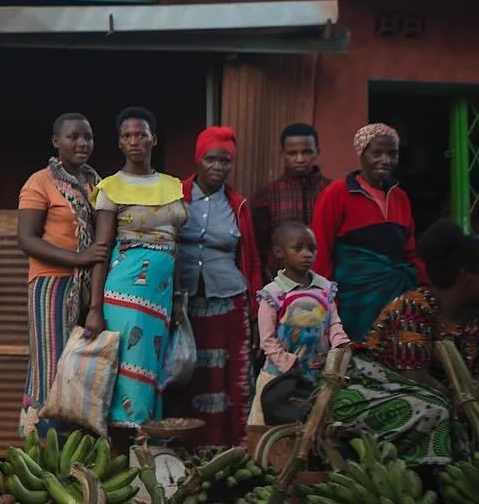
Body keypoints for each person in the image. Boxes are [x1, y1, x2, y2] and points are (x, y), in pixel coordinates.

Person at [333, 220, 479, 465]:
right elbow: (415, 377)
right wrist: (464, 402)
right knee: (435, 412)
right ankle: (424, 479)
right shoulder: (415, 305)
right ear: (466, 274)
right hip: (375, 393)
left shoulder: (472, 319)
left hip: (440, 397)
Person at [86, 107, 189, 431]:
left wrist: (177, 300)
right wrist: (95, 306)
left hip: (161, 296)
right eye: (127, 136)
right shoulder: (110, 188)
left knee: (152, 367)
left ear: (153, 139)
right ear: (119, 143)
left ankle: (145, 448)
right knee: (128, 371)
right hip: (124, 290)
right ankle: (126, 451)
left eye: (141, 134)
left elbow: (177, 246)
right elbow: (101, 250)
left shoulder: (173, 186)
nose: (134, 141)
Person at [169, 126, 264, 447]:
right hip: (184, 304)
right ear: (198, 160)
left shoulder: (237, 204)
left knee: (226, 378)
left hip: (229, 301)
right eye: (211, 159)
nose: (218, 167)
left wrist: (255, 307)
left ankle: (226, 446)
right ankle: (184, 446)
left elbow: (249, 259)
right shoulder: (176, 194)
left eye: (225, 161)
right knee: (185, 372)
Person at [15, 113, 107, 436]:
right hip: (51, 286)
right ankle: (42, 447)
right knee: (50, 367)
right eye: (73, 137)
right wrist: (78, 258)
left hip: (86, 288)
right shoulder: (40, 182)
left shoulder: (97, 183)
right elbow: (26, 239)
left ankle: (73, 448)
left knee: (78, 368)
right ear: (56, 141)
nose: (82, 144)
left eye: (88, 137)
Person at [312, 123, 427, 343]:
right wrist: (326, 299)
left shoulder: (400, 197)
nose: (385, 160)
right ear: (362, 155)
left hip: (395, 300)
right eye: (377, 153)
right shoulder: (337, 193)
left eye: (392, 154)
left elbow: (409, 251)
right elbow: (321, 249)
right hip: (350, 302)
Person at [249, 222, 351, 426]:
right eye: (298, 248)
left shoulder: (324, 288)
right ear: (279, 252)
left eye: (312, 249)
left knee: (314, 425)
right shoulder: (273, 293)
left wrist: (341, 343)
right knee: (269, 427)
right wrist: (286, 363)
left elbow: (334, 324)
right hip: (278, 378)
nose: (307, 254)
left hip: (316, 373)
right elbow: (267, 340)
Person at [251, 123, 334, 265]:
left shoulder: (332, 190)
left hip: (325, 278)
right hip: (280, 280)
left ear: (317, 152)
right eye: (292, 153)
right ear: (282, 154)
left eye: (307, 152)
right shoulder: (267, 194)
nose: (300, 159)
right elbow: (260, 246)